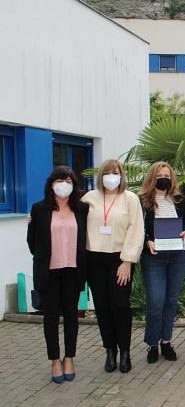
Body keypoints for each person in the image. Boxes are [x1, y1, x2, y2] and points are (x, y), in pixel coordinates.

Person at [27, 166, 88, 383]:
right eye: (61, 180)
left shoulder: (81, 209)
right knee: (51, 318)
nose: (65, 185)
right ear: (51, 183)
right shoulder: (39, 209)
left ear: (74, 185)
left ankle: (69, 357)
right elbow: (32, 242)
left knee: (72, 316)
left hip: (73, 270)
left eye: (69, 181)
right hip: (49, 272)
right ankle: (54, 360)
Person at [82, 159, 144, 373]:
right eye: (107, 172)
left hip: (120, 260)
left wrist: (127, 261)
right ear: (101, 175)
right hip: (94, 259)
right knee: (102, 307)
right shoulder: (89, 198)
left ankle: (125, 351)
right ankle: (110, 350)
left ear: (121, 175)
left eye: (115, 172)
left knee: (120, 305)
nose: (111, 176)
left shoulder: (130, 199)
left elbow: (136, 230)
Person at [139, 162, 185, 364]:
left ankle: (166, 341)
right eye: (160, 175)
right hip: (154, 257)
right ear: (152, 177)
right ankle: (152, 343)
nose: (164, 179)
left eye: (167, 176)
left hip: (179, 255)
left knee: (170, 301)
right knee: (155, 301)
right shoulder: (142, 201)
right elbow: (136, 228)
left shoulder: (179, 200)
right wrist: (147, 241)